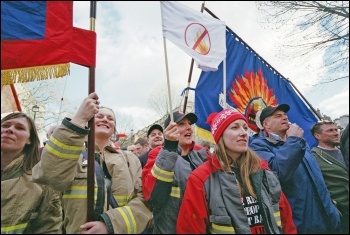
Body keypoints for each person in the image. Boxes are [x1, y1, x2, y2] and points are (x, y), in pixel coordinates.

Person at [32, 92, 152, 234]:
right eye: (99, 116)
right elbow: (49, 175)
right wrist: (79, 118)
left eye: (110, 118)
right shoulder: (71, 154)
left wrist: (110, 225)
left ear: (114, 129)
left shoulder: (131, 159)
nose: (105, 120)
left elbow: (143, 200)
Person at [177, 109, 296, 234]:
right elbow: (190, 228)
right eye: (235, 127)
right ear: (220, 135)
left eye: (245, 128)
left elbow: (286, 221)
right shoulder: (201, 179)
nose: (244, 133)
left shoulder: (263, 170)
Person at [249, 104, 341, 233]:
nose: (285, 118)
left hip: (329, 217)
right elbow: (277, 174)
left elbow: (316, 177)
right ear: (266, 124)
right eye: (278, 116)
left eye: (285, 115)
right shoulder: (258, 146)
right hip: (302, 224)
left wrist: (332, 207)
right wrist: (293, 140)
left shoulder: (299, 141)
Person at [142, 111, 207, 234]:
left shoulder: (202, 155)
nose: (189, 127)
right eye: (181, 124)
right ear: (169, 130)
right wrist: (170, 147)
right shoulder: (158, 153)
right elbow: (152, 197)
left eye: (189, 124)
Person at [1, 112, 62, 234]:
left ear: (30, 139)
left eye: (19, 128)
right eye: (5, 125)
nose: (10, 130)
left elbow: (48, 228)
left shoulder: (41, 181)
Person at [310, 120, 349, 234]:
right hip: (342, 213)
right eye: (330, 131)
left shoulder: (345, 150)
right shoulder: (314, 157)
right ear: (318, 136)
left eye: (336, 130)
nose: (336, 133)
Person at [138, 124, 164, 234]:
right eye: (153, 135)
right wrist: (149, 212)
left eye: (159, 134)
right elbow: (141, 188)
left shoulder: (173, 154)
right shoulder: (141, 159)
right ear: (148, 140)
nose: (157, 136)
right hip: (149, 211)